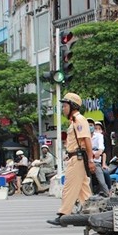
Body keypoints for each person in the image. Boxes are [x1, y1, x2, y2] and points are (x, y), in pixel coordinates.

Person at [47, 92, 96, 226]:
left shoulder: (79, 120)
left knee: (69, 187)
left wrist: (91, 160)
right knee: (83, 189)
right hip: (75, 157)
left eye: (64, 106)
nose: (63, 109)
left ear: (72, 106)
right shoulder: (74, 121)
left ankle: (63, 215)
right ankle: (93, 213)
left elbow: (87, 140)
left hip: (78, 159)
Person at [88, 119, 109, 197]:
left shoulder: (99, 136)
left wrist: (99, 152)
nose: (90, 127)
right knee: (87, 181)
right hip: (86, 161)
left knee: (102, 180)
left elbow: (102, 149)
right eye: (88, 125)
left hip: (96, 162)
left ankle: (108, 194)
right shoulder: (84, 136)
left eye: (91, 125)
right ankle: (88, 197)